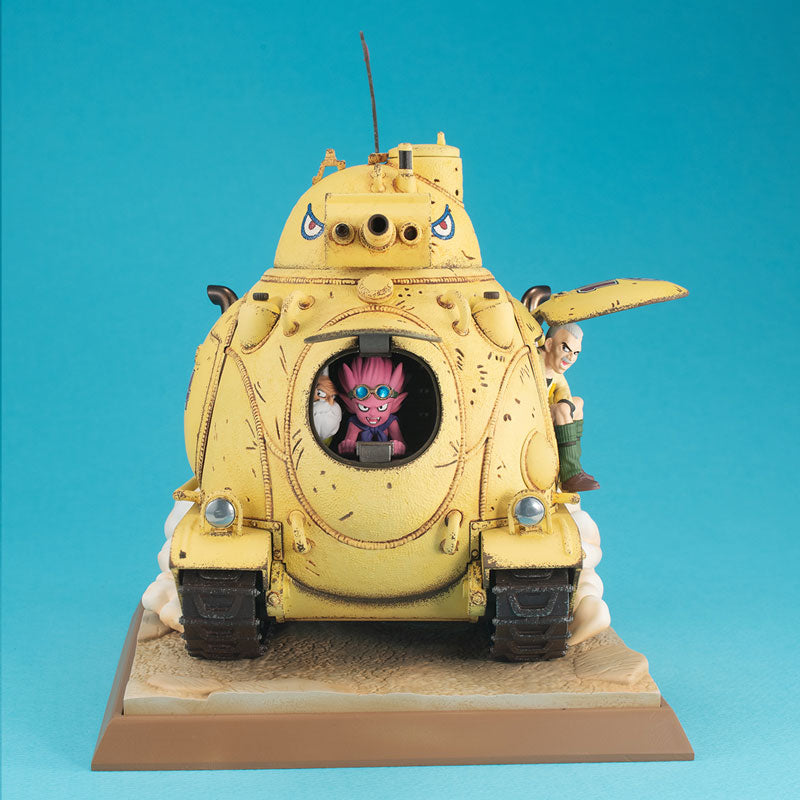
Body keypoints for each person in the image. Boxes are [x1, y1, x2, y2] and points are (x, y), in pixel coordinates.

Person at [540, 322, 599, 492]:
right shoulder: (533, 361)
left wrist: (567, 406)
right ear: (549, 344)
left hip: (545, 413)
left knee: (577, 402)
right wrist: (564, 409)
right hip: (529, 412)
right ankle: (570, 474)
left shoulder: (555, 372)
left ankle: (574, 465)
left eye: (576, 353)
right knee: (562, 409)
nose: (571, 358)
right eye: (565, 348)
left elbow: (564, 393)